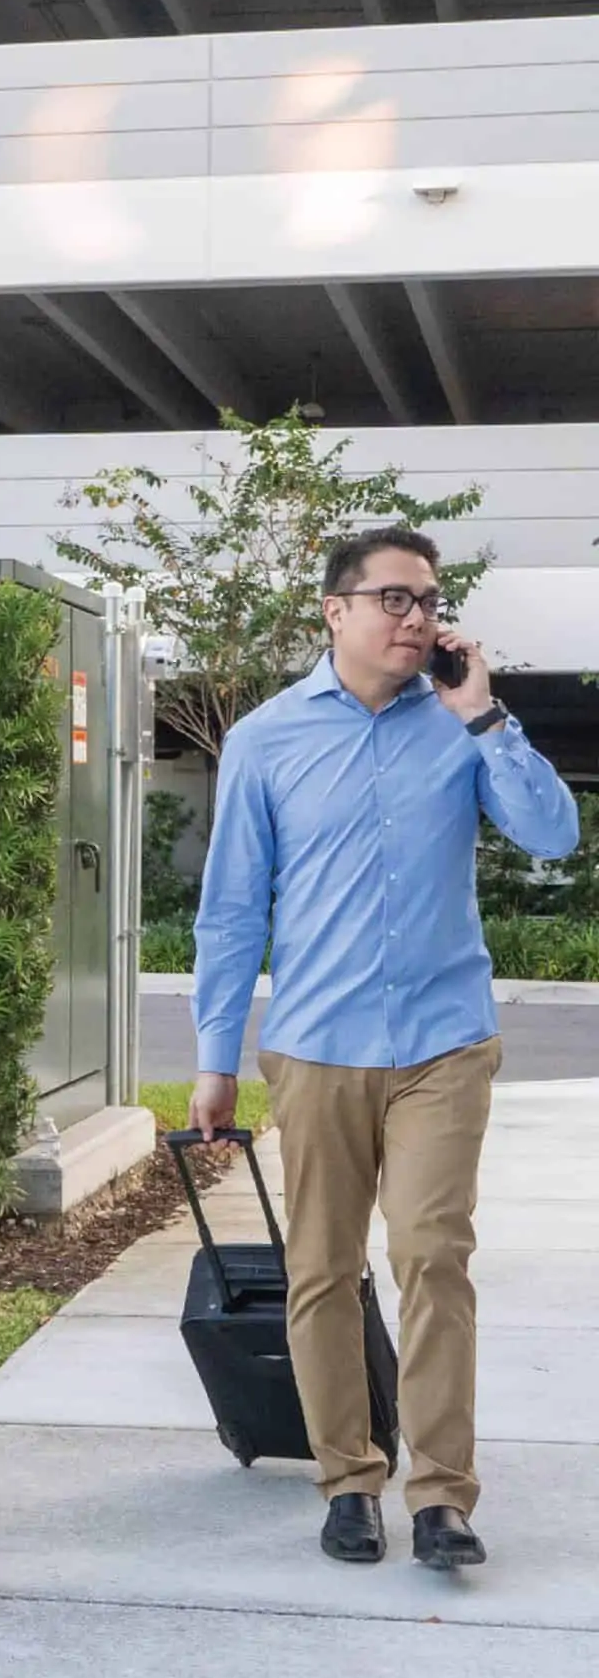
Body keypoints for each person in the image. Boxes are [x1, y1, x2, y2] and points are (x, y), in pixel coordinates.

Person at [190, 526, 579, 1569]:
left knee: (433, 1257)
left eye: (430, 600)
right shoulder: (267, 739)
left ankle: (442, 1497)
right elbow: (231, 912)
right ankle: (348, 1481)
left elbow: (554, 837)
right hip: (316, 1049)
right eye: (396, 599)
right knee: (321, 1269)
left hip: (444, 1045)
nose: (419, 618)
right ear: (336, 611)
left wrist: (485, 713)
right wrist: (215, 1057)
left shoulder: (461, 724)